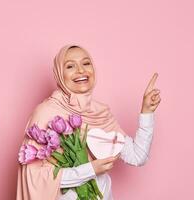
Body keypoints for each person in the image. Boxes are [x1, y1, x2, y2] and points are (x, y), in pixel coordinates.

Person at [16, 44, 161, 200]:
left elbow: (137, 156)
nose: (81, 70)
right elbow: (34, 176)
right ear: (59, 73)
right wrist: (90, 170)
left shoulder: (100, 114)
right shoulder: (46, 113)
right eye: (70, 66)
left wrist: (147, 111)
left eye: (86, 63)